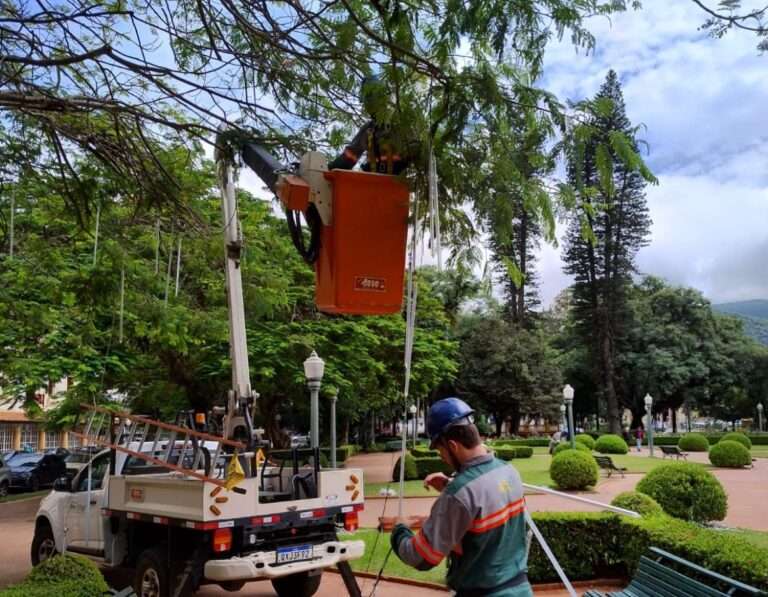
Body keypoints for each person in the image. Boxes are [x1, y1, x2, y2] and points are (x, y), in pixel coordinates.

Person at [390, 398, 533, 597]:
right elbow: (487, 500)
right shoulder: (508, 470)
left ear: (453, 445)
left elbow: (422, 557)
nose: (442, 457)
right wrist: (450, 484)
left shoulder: (458, 494)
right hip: (521, 590)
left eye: (440, 450)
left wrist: (400, 531)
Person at [328, 75, 414, 175]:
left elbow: (416, 153)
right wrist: (325, 168)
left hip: (396, 185)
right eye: (366, 101)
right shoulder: (368, 130)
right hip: (372, 184)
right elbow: (348, 158)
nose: (367, 104)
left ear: (382, 97)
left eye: (370, 98)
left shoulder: (401, 124)